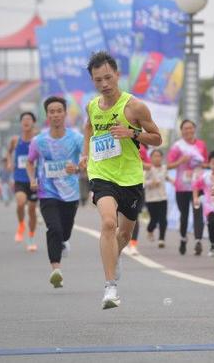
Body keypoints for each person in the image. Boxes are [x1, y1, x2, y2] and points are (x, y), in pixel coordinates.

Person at [80, 51, 162, 309]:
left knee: (124, 235)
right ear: (92, 81)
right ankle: (110, 288)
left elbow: (157, 138)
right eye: (97, 80)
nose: (104, 84)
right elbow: (89, 128)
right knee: (107, 222)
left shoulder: (134, 107)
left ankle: (116, 254)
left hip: (130, 177)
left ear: (117, 75)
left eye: (107, 77)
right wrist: (85, 153)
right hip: (101, 173)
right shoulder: (92, 106)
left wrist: (132, 133)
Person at [26, 97, 83, 288]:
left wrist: (75, 168)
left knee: (64, 232)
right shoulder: (39, 141)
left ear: (65, 114)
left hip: (70, 193)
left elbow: (85, 162)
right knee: (54, 229)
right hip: (47, 192)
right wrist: (32, 178)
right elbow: (29, 162)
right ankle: (56, 269)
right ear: (47, 115)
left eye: (59, 111)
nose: (56, 114)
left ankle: (63, 242)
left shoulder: (76, 138)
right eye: (52, 111)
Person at [167, 120, 208, 256]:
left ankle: (198, 241)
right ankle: (183, 238)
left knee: (198, 212)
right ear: (181, 131)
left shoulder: (201, 145)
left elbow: (206, 162)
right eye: (185, 129)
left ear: (194, 129)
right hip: (182, 187)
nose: (188, 131)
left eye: (190, 128)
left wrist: (201, 164)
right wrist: (180, 161)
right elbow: (169, 165)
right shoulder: (177, 146)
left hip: (198, 184)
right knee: (184, 214)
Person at [7, 111, 39, 251]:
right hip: (19, 178)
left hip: (34, 180)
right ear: (21, 123)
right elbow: (8, 152)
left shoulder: (38, 139)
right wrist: (9, 162)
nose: (26, 121)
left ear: (33, 122)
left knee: (32, 210)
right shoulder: (15, 140)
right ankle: (21, 224)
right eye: (24, 119)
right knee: (20, 202)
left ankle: (31, 237)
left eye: (29, 119)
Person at [125, 144, 152, 255]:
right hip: (120, 185)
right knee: (120, 217)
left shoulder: (142, 148)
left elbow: (149, 166)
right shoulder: (118, 141)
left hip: (138, 186)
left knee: (134, 216)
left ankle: (133, 244)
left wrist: (136, 162)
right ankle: (120, 241)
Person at [144, 149, 169, 248]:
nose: (157, 158)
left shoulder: (164, 168)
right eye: (155, 156)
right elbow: (143, 182)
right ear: (151, 158)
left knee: (163, 219)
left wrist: (172, 181)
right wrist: (151, 183)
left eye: (159, 156)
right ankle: (150, 230)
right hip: (151, 198)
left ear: (162, 158)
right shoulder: (148, 169)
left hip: (163, 197)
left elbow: (166, 177)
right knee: (154, 220)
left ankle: (161, 239)